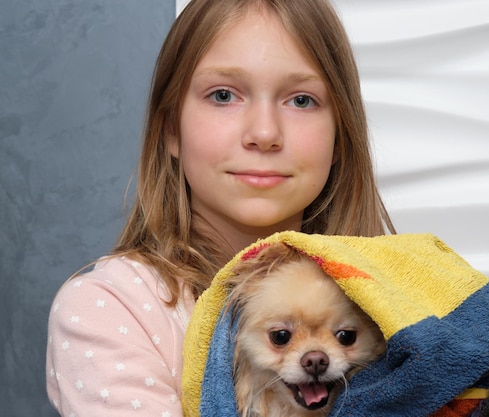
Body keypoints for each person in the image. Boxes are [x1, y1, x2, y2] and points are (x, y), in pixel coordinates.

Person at [46, 0, 395, 415]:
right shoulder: (111, 308)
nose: (264, 133)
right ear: (170, 128)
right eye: (224, 95)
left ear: (340, 137)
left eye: (300, 100)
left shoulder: (385, 294)